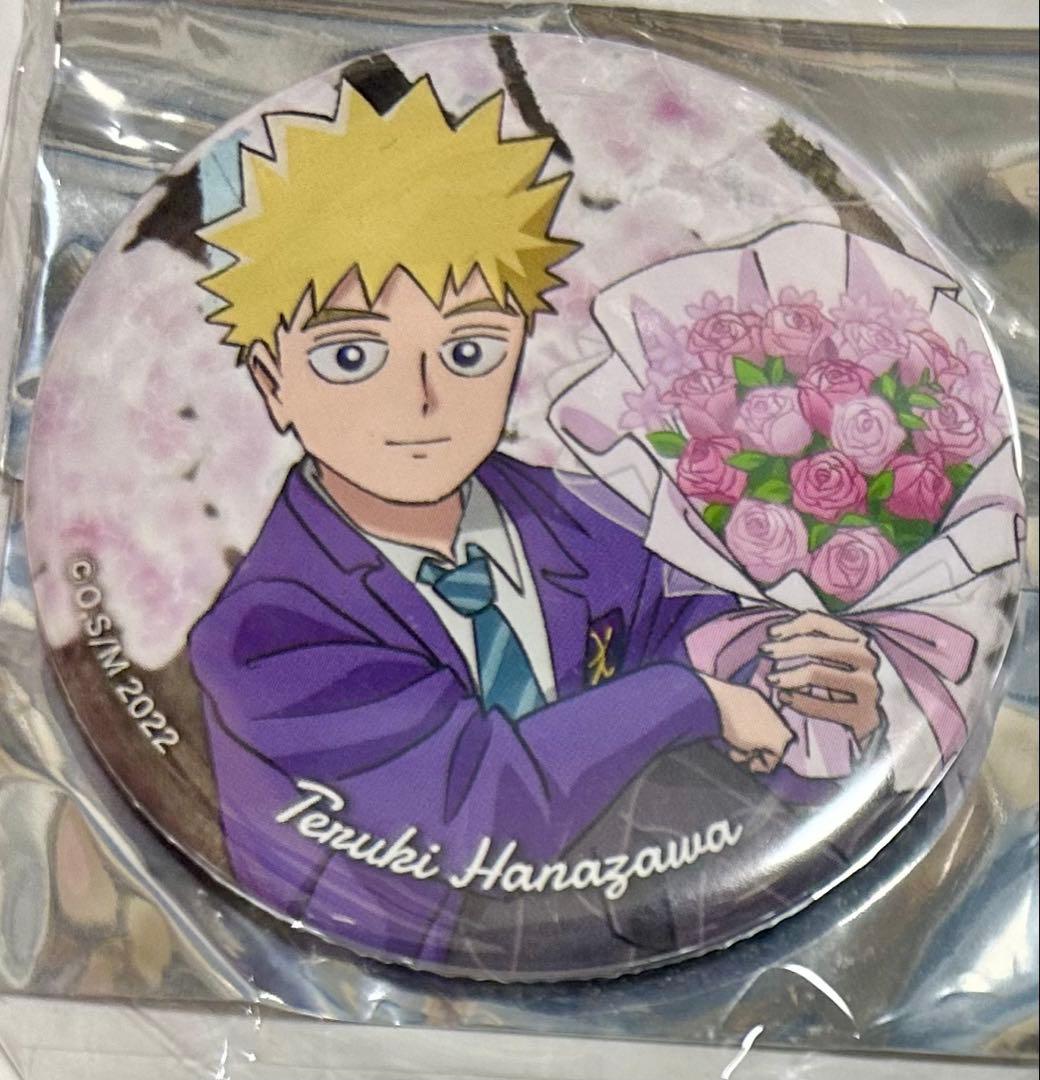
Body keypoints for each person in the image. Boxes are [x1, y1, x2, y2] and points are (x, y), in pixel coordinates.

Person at [188, 77, 881, 963]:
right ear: (272, 382)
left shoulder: (582, 522)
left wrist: (807, 695)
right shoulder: (266, 630)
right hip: (384, 990)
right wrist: (692, 699)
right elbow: (477, 812)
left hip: (674, 951)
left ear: (517, 347)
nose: (421, 399)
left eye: (468, 349)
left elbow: (710, 639)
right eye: (352, 355)